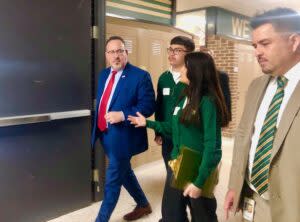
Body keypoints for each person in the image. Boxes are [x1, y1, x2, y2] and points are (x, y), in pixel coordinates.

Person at [129, 52, 230, 222]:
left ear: (195, 72)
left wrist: (199, 182)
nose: (181, 69)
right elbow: (173, 127)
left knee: (203, 216)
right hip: (178, 164)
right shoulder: (185, 96)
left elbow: (211, 146)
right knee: (170, 215)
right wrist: (147, 123)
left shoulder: (208, 103)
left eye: (185, 66)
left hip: (198, 168)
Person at [224, 8, 300, 222]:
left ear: (294, 42)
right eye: (254, 45)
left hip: (292, 206)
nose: (257, 52)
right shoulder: (256, 86)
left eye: (265, 44)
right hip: (251, 198)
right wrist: (233, 185)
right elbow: (242, 137)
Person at [91, 36, 155, 222]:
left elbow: (148, 105)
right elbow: (104, 101)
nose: (116, 56)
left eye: (120, 51)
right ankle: (143, 204)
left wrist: (123, 115)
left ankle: (100, 219)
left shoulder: (140, 76)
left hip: (124, 136)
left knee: (112, 181)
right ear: (106, 55)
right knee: (124, 171)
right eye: (111, 52)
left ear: (126, 52)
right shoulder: (104, 74)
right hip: (105, 133)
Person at [155, 36, 195, 222]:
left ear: (188, 54)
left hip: (186, 140)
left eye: (177, 50)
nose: (171, 53)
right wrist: (158, 132)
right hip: (167, 137)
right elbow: (159, 105)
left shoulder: (192, 80)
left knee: (176, 180)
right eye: (170, 49)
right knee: (173, 178)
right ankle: (177, 216)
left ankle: (171, 217)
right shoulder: (163, 78)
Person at [199, 46, 232, 120]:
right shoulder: (195, 75)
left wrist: (227, 117)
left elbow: (226, 96)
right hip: (198, 113)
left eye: (210, 57)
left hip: (215, 112)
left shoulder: (221, 76)